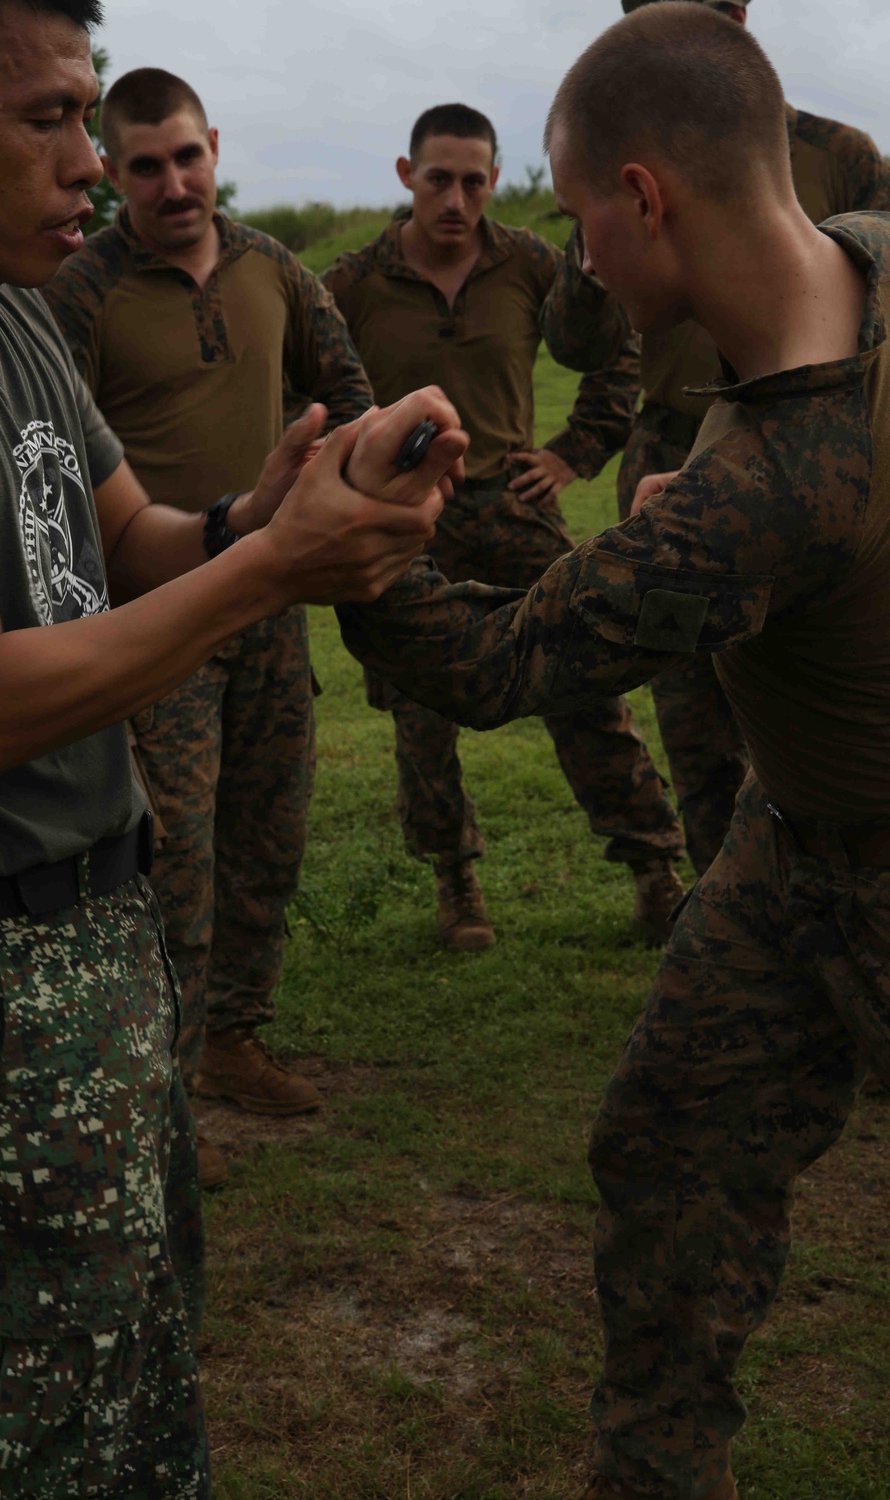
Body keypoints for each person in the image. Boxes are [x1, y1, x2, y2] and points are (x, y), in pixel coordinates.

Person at [0, 1, 462, 1494]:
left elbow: (128, 537)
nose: (90, 164)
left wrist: (259, 511)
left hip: (95, 923)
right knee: (58, 1433)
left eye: (99, 121)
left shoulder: (12, 310)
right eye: (50, 121)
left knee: (144, 1376)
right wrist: (269, 576)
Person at [337, 7, 890, 1496]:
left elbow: (503, 662)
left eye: (582, 220)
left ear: (644, 197)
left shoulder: (777, 486)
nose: (575, 261)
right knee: (673, 1147)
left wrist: (350, 558)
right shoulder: (869, 244)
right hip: (790, 839)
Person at [45, 70, 374, 1185]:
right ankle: (161, 1098)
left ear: (215, 146)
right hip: (155, 620)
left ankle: (235, 1038)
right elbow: (55, 470)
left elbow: (349, 391)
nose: (173, 184)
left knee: (268, 831)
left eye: (187, 157)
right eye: (144, 165)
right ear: (111, 167)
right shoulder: (78, 291)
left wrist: (370, 477)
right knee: (170, 860)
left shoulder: (271, 266)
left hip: (269, 601)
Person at [323, 104, 686, 952]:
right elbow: (302, 378)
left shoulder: (527, 261)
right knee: (422, 711)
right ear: (406, 174)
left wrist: (572, 453)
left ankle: (657, 875)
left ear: (493, 180)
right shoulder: (355, 280)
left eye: (475, 181)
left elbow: (613, 351)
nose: (456, 198)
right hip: (413, 522)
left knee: (586, 679)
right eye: (439, 178)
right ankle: (458, 884)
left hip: (515, 507)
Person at [585, 0, 890, 875]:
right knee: (691, 704)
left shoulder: (841, 156)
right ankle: (730, 893)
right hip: (674, 447)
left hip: (823, 451)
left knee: (825, 688)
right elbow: (578, 339)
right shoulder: (615, 165)